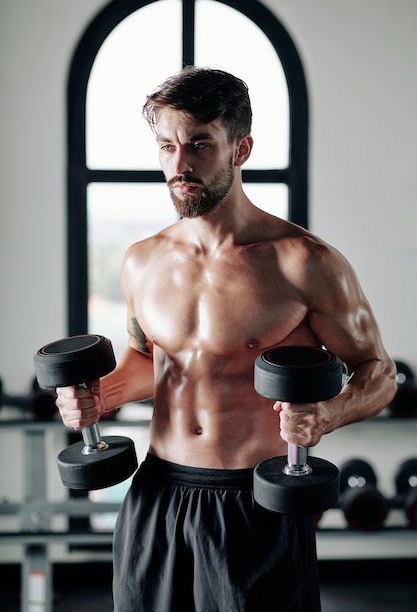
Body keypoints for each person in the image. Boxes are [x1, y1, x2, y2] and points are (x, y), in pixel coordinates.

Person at [56, 66, 396, 611]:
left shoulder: (304, 263)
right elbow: (150, 360)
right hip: (157, 493)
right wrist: (102, 396)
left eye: (199, 145)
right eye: (166, 146)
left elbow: (379, 374)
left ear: (241, 149)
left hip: (254, 501)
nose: (179, 165)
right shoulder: (142, 263)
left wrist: (327, 415)